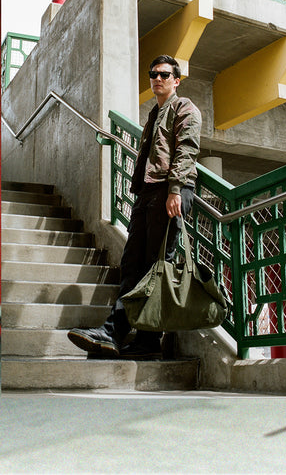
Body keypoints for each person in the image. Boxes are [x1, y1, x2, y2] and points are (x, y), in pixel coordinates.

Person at [67, 54, 201, 360]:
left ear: (176, 80)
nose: (157, 78)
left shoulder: (184, 108)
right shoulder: (155, 112)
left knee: (156, 268)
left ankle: (134, 336)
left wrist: (176, 189)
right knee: (133, 265)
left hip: (170, 192)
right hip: (147, 194)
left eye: (165, 75)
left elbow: (187, 150)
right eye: (153, 74)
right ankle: (127, 336)